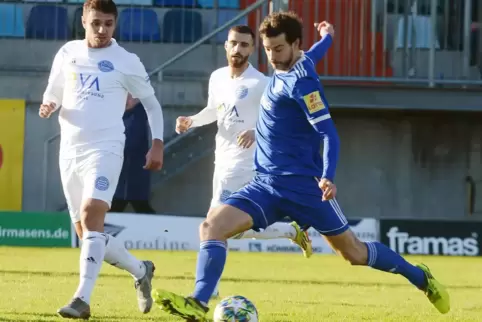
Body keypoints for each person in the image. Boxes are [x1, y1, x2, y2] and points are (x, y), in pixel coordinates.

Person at [152, 12, 450, 321]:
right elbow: (315, 54)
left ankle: (420, 277)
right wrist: (329, 36)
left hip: (304, 188)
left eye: (278, 49)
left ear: (295, 44)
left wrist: (328, 176)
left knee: (354, 253)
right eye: (267, 49)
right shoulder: (299, 60)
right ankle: (198, 303)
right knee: (212, 226)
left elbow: (328, 133)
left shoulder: (303, 85)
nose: (272, 56)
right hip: (265, 184)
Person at [39, 0, 164, 319]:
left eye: (108, 24)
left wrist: (157, 144)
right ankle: (141, 270)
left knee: (92, 213)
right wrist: (49, 104)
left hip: (105, 148)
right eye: (96, 23)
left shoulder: (126, 60)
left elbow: (151, 104)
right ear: (83, 20)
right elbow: (53, 90)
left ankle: (81, 300)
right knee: (87, 235)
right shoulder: (68, 52)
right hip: (69, 151)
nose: (102, 30)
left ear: (115, 24)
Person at [175, 25, 314, 299]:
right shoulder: (217, 78)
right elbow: (213, 111)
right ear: (226, 46)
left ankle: (206, 292)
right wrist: (191, 121)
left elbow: (280, 119)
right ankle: (290, 230)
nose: (237, 49)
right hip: (222, 162)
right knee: (227, 230)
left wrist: (255, 131)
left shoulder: (260, 83)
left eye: (244, 45)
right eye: (233, 43)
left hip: (247, 165)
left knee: (213, 225)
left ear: (252, 49)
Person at [110, 94, 156, 214]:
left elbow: (131, 141)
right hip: (124, 172)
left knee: (129, 203)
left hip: (131, 171)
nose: (127, 99)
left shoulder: (138, 114)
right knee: (136, 205)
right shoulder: (122, 113)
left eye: (131, 96)